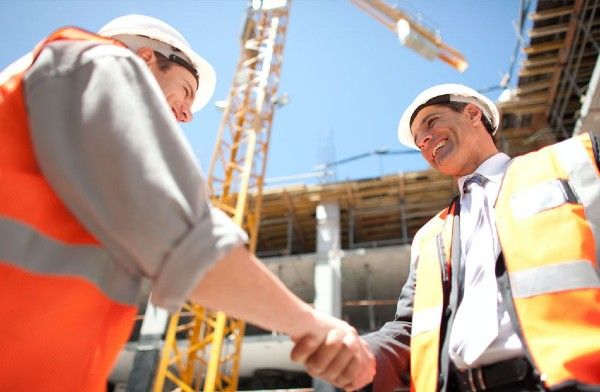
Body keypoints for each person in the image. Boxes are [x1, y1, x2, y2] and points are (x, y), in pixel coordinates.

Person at [0, 14, 375, 390]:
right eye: (186, 90)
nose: (187, 114)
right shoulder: (100, 61)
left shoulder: (67, 124)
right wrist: (313, 326)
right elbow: (187, 244)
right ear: (145, 58)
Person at [292, 83, 600, 391]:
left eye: (431, 122)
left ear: (472, 113)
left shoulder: (574, 161)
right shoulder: (431, 237)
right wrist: (363, 354)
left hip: (569, 379)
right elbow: (410, 327)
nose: (424, 140)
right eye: (418, 141)